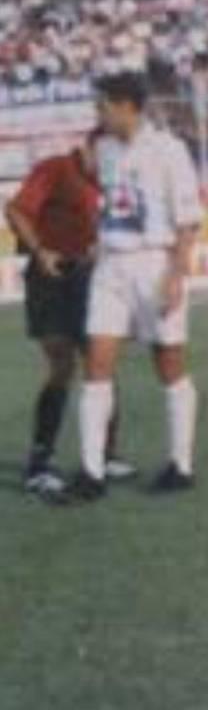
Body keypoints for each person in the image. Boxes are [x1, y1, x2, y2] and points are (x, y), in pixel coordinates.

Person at [63, 72, 202, 502]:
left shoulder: (169, 149)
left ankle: (181, 464)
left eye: (103, 105)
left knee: (169, 364)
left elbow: (188, 220)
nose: (98, 113)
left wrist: (176, 276)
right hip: (110, 266)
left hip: (154, 263)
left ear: (128, 106)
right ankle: (92, 472)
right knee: (96, 365)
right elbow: (102, 191)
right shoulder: (104, 148)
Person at [4, 136, 135, 498]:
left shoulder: (109, 180)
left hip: (92, 277)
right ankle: (40, 462)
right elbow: (16, 211)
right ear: (89, 148)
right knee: (62, 365)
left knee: (101, 363)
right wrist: (41, 251)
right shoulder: (56, 168)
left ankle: (105, 455)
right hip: (52, 277)